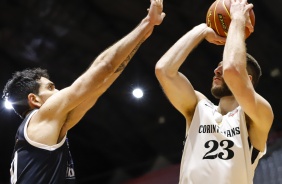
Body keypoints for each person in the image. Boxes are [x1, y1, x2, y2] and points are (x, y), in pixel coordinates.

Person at [2, 0, 165, 183]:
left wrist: (143, 35)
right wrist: (146, 24)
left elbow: (100, 83)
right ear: (35, 100)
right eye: (50, 88)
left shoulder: (48, 129)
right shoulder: (41, 117)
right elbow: (105, 67)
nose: (59, 91)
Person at [155, 0, 273, 183]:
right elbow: (164, 71)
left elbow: (233, 71)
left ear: (248, 80)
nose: (216, 71)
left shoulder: (259, 114)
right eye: (218, 67)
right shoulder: (198, 108)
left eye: (222, 67)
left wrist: (238, 21)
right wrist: (201, 30)